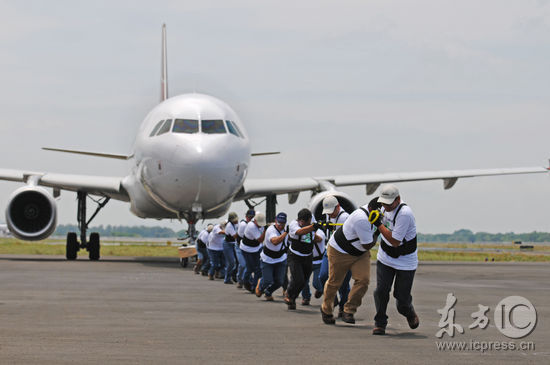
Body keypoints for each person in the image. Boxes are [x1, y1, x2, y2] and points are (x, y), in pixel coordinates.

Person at [320, 198, 378, 325]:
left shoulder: (381, 214)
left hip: (359, 252)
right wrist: (378, 230)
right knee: (334, 283)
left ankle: (349, 310)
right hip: (339, 251)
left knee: (363, 280)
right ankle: (326, 309)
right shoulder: (361, 218)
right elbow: (368, 244)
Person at [372, 184, 419, 335]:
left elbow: (395, 241)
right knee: (381, 291)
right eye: (383, 202)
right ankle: (380, 323)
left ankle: (409, 312)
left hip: (405, 260)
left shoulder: (404, 214)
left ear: (398, 200)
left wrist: (378, 224)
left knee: (401, 299)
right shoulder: (383, 207)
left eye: (389, 202)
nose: (385, 205)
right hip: (386, 257)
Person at [318, 195, 351, 317]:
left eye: (331, 212)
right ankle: (333, 298)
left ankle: (343, 308)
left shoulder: (345, 218)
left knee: (343, 283)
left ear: (338, 207)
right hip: (330, 251)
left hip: (343, 254)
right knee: (322, 276)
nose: (329, 215)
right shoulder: (329, 214)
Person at [284, 208, 321, 310]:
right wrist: (313, 227)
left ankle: (292, 299)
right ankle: (289, 294)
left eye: (304, 221)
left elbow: (318, 230)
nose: (301, 223)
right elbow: (300, 232)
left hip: (308, 256)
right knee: (298, 279)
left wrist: (323, 225)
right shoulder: (293, 225)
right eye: (300, 221)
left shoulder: (312, 221)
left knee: (303, 281)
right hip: (295, 256)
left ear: (309, 219)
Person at [256, 212, 288, 301]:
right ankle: (261, 285)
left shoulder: (287, 228)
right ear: (275, 221)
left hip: (281, 258)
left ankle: (268, 292)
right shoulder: (271, 229)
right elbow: (275, 241)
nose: (280, 225)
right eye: (279, 223)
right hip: (268, 259)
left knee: (280, 281)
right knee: (267, 280)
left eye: (282, 223)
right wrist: (285, 233)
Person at [241, 212, 266, 292]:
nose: (260, 225)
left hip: (256, 248)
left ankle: (255, 286)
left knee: (259, 268)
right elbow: (260, 239)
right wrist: (266, 230)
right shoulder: (251, 226)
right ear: (255, 220)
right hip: (246, 249)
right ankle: (245, 281)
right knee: (250, 267)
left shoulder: (260, 224)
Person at [301, 228, 325, 305]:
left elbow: (318, 239)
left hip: (318, 261)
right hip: (307, 260)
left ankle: (320, 289)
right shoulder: (302, 232)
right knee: (304, 281)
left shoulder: (320, 232)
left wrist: (307, 232)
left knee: (316, 282)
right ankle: (306, 297)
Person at [236, 209, 255, 288]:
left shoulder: (254, 225)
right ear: (246, 217)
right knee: (243, 264)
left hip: (249, 247)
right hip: (240, 246)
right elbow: (242, 238)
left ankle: (247, 281)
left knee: (248, 265)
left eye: (252, 217)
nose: (250, 219)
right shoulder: (243, 224)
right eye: (249, 217)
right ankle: (240, 279)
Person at [223, 212, 239, 284]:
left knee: (238, 261)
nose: (236, 221)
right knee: (232, 262)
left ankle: (234, 275)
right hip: (228, 245)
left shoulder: (236, 224)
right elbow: (235, 236)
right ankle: (227, 278)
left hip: (234, 244)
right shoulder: (229, 226)